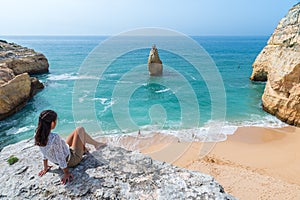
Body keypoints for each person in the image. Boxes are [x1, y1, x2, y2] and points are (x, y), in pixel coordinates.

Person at [35, 110, 105, 185]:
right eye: (56, 120)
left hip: (65, 152)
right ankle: (92, 146)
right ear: (52, 123)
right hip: (71, 160)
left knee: (77, 132)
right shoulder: (54, 137)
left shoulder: (38, 134)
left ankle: (88, 147)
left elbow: (44, 151)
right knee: (80, 129)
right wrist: (66, 173)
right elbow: (60, 157)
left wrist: (45, 167)